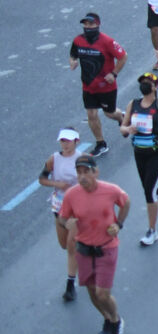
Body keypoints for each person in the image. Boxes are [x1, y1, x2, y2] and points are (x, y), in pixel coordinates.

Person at [59, 154, 129, 334]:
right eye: (79, 172)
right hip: (83, 249)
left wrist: (118, 224)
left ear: (95, 172)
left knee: (102, 294)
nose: (82, 177)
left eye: (86, 172)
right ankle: (107, 319)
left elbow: (125, 202)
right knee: (91, 291)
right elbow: (63, 216)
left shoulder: (111, 190)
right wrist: (67, 223)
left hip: (106, 248)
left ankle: (116, 320)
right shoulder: (71, 195)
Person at [120, 55, 158, 246]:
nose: (145, 84)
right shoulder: (133, 104)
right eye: (143, 82)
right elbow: (122, 128)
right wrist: (127, 129)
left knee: (149, 191)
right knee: (150, 185)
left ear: (155, 87)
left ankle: (152, 231)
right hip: (139, 153)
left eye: (149, 82)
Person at [69, 12, 127, 157]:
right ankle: (101, 143)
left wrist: (113, 74)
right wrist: (73, 61)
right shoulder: (78, 41)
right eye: (85, 24)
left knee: (110, 113)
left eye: (91, 24)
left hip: (106, 87)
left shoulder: (107, 41)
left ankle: (121, 117)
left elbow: (123, 56)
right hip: (88, 86)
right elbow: (73, 54)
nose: (87, 27)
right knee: (91, 113)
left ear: (97, 25)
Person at [38, 128, 82, 301]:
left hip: (77, 209)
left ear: (76, 141)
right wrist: (57, 183)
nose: (65, 144)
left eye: (68, 141)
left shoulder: (82, 159)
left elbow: (93, 181)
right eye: (62, 140)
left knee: (71, 247)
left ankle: (70, 286)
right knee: (64, 245)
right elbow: (42, 179)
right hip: (59, 207)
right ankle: (87, 249)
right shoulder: (53, 159)